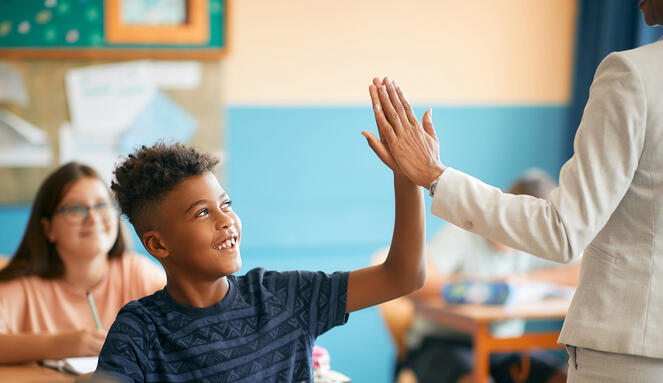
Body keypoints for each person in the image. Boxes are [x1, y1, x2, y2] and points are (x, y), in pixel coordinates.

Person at [362, 2, 663, 381]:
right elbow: (417, 279)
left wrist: (435, 175)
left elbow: (563, 232)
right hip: (448, 347)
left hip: (635, 354)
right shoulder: (464, 242)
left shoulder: (638, 75)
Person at [93, 140, 426, 382]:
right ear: (158, 244)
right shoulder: (141, 329)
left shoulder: (284, 296)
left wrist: (407, 178)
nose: (226, 221)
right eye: (203, 213)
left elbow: (402, 276)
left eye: (226, 204)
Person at [375, 171, 574, 383]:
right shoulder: (463, 232)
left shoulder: (535, 244)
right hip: (442, 343)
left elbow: (579, 272)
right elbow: (416, 281)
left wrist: (525, 281)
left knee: (564, 376)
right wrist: (482, 288)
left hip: (503, 347)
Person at [0, 162, 166, 364]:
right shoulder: (22, 287)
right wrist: (61, 344)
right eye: (76, 209)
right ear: (48, 229)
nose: (93, 218)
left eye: (102, 205)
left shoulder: (138, 273)